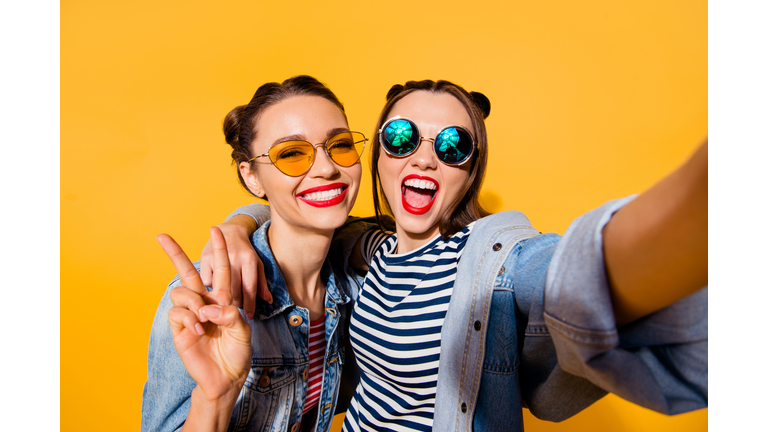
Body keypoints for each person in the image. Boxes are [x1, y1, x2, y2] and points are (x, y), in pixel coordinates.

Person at [203, 80, 708, 431]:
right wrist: (239, 225)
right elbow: (292, 204)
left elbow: (568, 273)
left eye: (451, 145)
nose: (423, 156)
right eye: (401, 138)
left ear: (471, 172)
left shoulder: (492, 264)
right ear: (378, 155)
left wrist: (697, 203)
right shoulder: (364, 250)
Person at [141, 75, 371, 432]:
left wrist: (241, 222)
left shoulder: (360, 286)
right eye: (292, 154)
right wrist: (214, 398)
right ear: (251, 178)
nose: (327, 168)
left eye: (339, 144)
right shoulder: (211, 294)